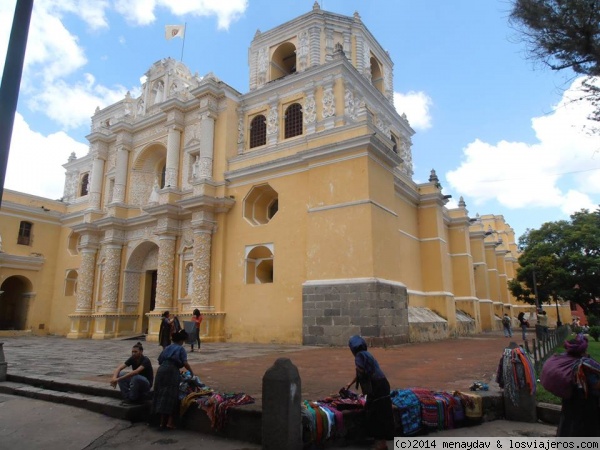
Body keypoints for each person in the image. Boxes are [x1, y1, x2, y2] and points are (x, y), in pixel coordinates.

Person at [346, 335, 393, 450]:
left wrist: (360, 383)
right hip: (383, 384)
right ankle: (382, 443)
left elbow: (361, 372)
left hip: (377, 386)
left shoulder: (359, 357)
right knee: (383, 412)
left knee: (375, 413)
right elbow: (361, 372)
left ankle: (380, 444)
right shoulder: (366, 355)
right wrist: (350, 383)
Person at [556, 334, 600, 437]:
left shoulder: (565, 360)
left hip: (569, 400)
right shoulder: (584, 364)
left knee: (568, 426)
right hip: (586, 404)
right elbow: (595, 385)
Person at [153, 329, 194, 430]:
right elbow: (185, 363)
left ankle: (161, 422)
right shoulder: (180, 349)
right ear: (181, 340)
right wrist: (191, 372)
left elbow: (159, 360)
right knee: (171, 395)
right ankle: (168, 423)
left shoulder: (167, 347)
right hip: (172, 371)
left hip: (161, 370)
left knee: (160, 393)